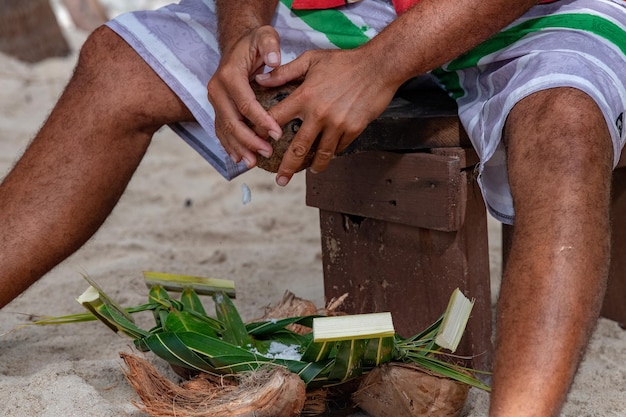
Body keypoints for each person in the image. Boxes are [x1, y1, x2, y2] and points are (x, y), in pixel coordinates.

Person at [0, 0, 624, 415]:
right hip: (356, 7)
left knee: (565, 127)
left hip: (541, 9)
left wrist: (379, 66)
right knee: (116, 65)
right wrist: (242, 32)